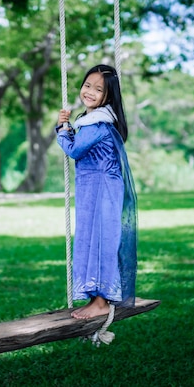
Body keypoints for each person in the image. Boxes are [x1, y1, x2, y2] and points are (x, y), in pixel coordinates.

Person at [56, 64, 138, 320]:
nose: (89, 91)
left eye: (98, 89)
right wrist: (67, 127)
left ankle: (101, 301)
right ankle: (95, 298)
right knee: (91, 238)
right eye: (87, 85)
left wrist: (62, 130)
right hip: (94, 188)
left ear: (108, 96)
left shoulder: (98, 123)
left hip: (102, 188)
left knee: (101, 239)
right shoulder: (92, 120)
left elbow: (75, 150)